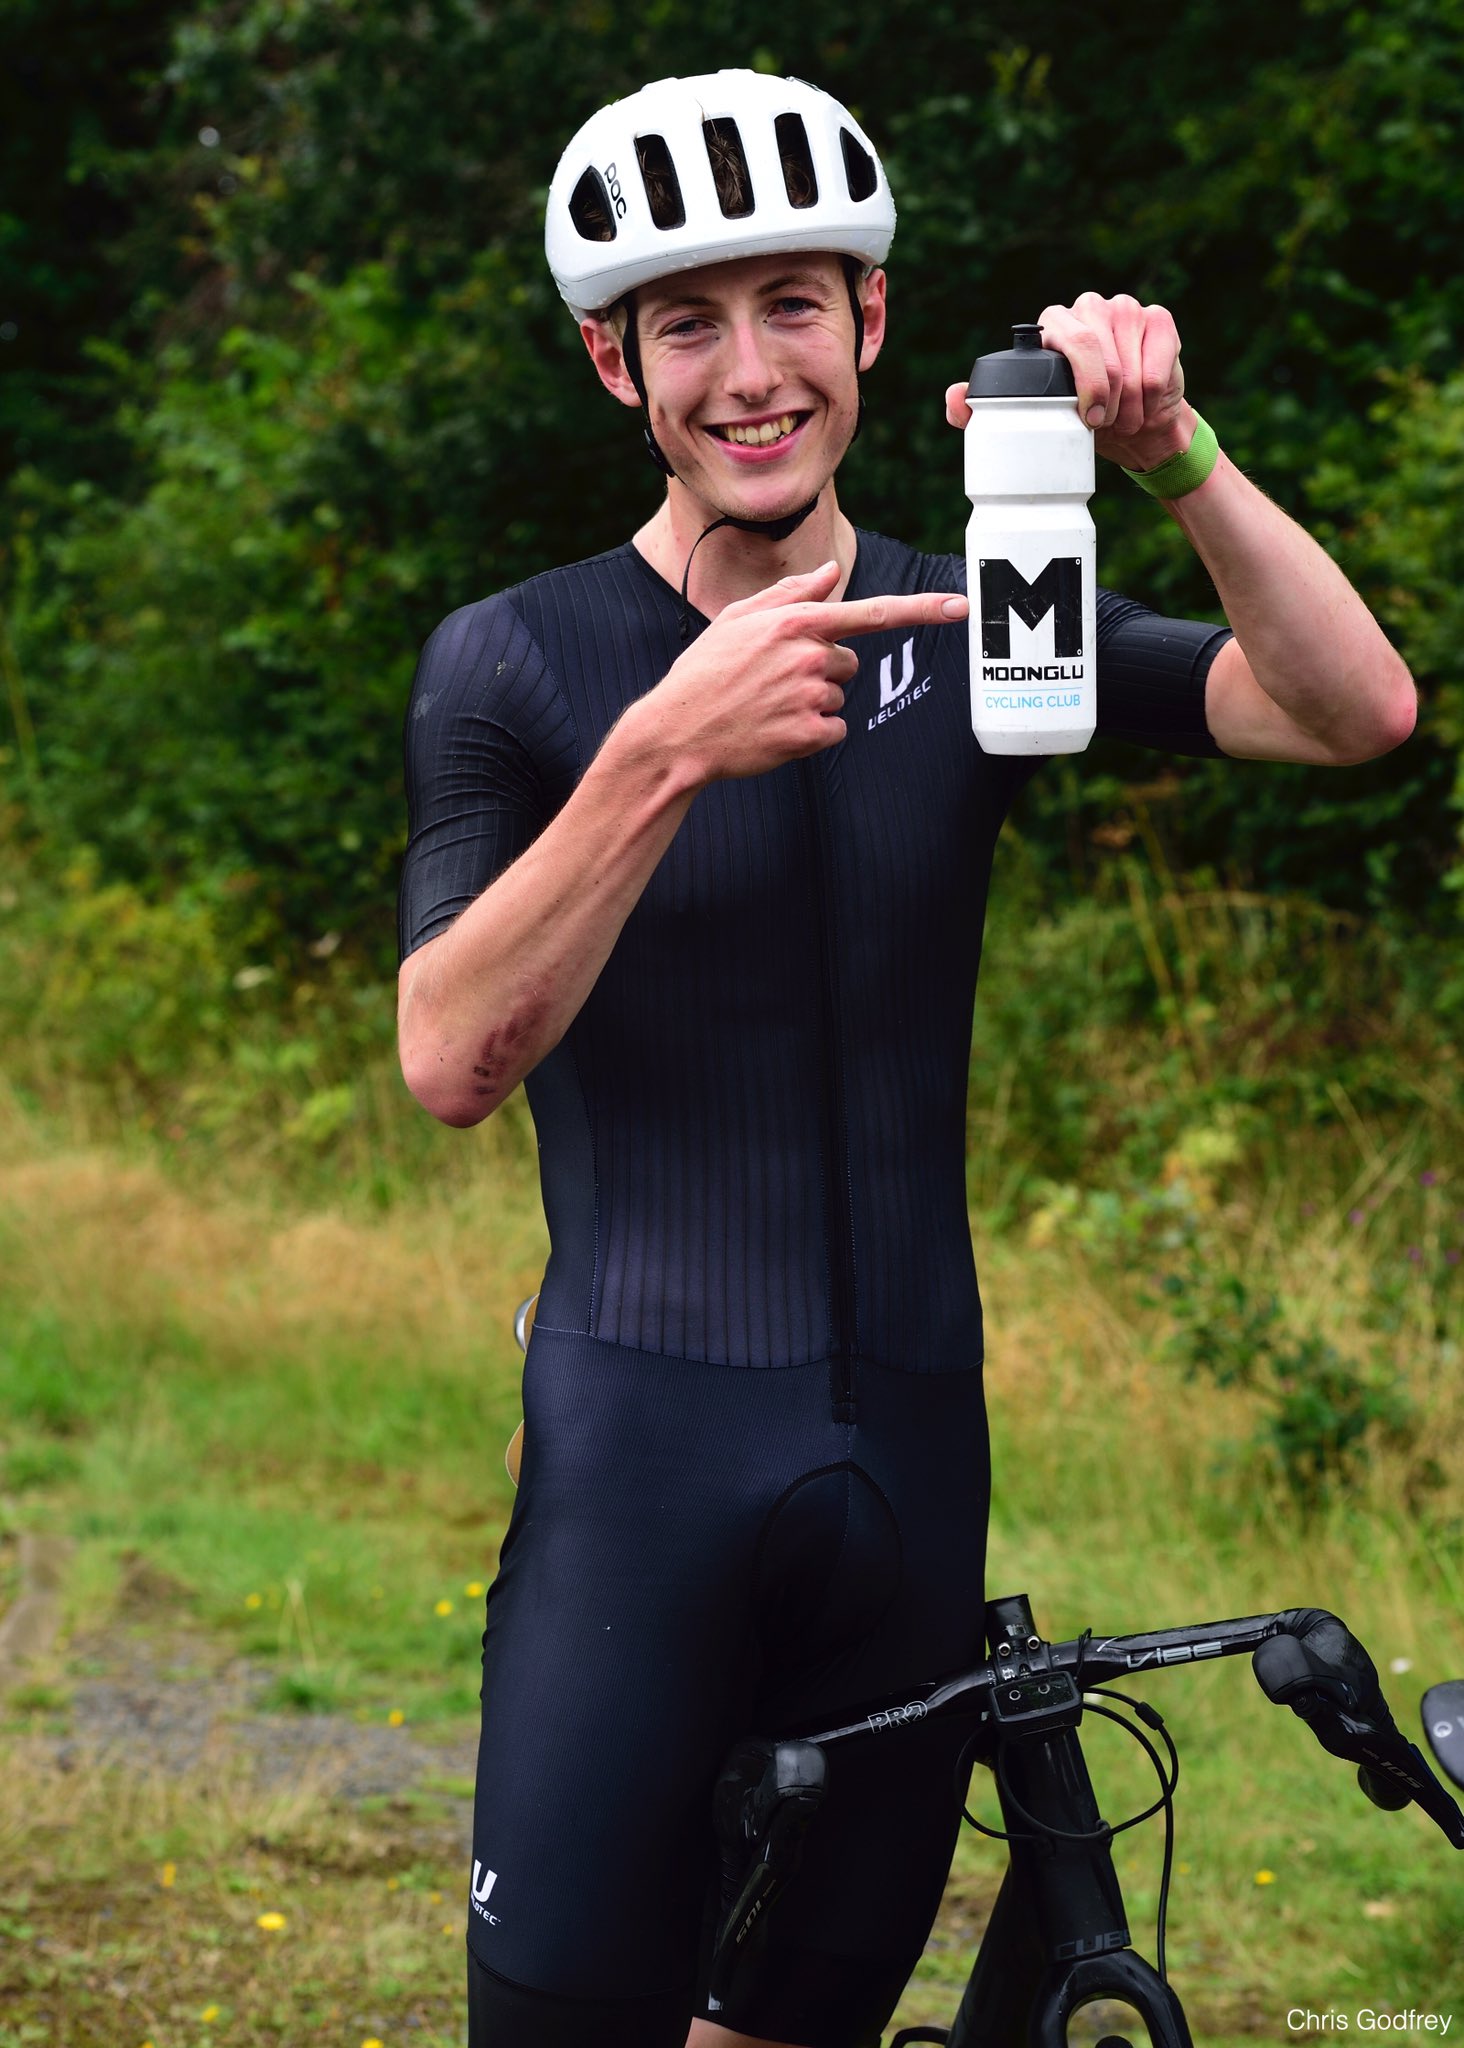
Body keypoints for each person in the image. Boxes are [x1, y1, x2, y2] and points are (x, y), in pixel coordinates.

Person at [395, 70, 1414, 2048]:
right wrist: (663, 752)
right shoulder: (514, 662)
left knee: (799, 2030)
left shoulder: (985, 621)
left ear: (871, 322)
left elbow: (1350, 708)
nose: (748, 373)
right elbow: (449, 1054)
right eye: (688, 325)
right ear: (615, 364)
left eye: (793, 305)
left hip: (912, 1482)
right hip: (637, 1479)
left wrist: (1177, 455)